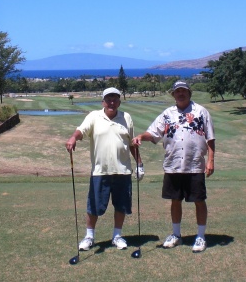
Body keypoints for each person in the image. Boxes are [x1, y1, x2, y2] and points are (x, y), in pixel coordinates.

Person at [132, 81, 215, 253]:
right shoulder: (167, 114)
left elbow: (211, 139)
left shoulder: (201, 112)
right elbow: (154, 133)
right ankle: (176, 234)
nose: (181, 94)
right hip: (173, 165)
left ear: (189, 93)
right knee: (175, 201)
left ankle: (200, 236)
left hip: (195, 165)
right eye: (178, 92)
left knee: (199, 201)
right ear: (174, 95)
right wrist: (141, 136)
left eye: (184, 91)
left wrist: (211, 161)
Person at [66, 87, 144, 251]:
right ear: (103, 101)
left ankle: (117, 236)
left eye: (115, 99)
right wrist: (73, 137)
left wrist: (139, 164)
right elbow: (81, 131)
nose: (112, 102)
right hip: (100, 171)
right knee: (94, 206)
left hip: (122, 171)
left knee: (121, 206)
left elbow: (131, 144)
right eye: (109, 99)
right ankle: (89, 237)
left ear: (119, 102)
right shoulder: (94, 116)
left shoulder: (126, 117)